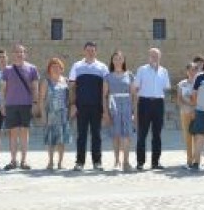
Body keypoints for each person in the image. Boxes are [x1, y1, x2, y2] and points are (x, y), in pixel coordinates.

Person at [69, 42, 109, 171]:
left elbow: (106, 90)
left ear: (96, 52)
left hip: (97, 107)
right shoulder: (77, 66)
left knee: (96, 135)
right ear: (84, 51)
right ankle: (80, 162)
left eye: (93, 50)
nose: (90, 52)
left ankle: (97, 162)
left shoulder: (102, 67)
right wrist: (73, 104)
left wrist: (105, 108)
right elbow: (72, 87)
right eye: (88, 50)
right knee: (81, 135)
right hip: (81, 106)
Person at [1, 43, 39, 171]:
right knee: (13, 134)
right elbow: (4, 89)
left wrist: (35, 103)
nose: (19, 54)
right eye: (17, 52)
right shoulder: (7, 70)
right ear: (13, 54)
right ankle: (13, 160)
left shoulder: (32, 68)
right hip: (11, 104)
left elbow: (35, 88)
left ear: (25, 54)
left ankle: (24, 160)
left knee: (24, 133)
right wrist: (2, 104)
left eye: (21, 52)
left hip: (26, 104)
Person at [134, 48, 171, 170]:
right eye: (152, 56)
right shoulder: (142, 70)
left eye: (156, 56)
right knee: (142, 133)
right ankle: (140, 162)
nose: (154, 58)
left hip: (158, 103)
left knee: (157, 134)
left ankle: (155, 162)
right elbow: (136, 87)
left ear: (160, 57)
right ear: (148, 57)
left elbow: (167, 87)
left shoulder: (164, 71)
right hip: (145, 102)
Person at [103, 50, 136, 172]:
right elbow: (104, 96)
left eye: (120, 58)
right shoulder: (107, 77)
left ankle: (126, 162)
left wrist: (135, 112)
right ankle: (117, 161)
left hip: (127, 107)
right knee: (116, 135)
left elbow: (134, 95)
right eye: (115, 58)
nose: (118, 60)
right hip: (113, 107)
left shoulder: (130, 75)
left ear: (124, 60)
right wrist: (105, 112)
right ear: (112, 61)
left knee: (126, 135)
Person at [39, 58, 72, 170]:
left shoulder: (65, 81)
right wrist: (43, 115)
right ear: (49, 69)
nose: (56, 68)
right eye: (53, 66)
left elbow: (69, 98)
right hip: (51, 114)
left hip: (63, 114)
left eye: (58, 66)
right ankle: (51, 162)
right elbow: (41, 100)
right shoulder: (46, 82)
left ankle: (60, 163)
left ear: (62, 69)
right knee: (51, 140)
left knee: (62, 140)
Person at [176, 62, 198, 169]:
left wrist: (194, 108)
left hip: (197, 113)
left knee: (198, 137)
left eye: (194, 70)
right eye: (190, 70)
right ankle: (189, 160)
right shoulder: (182, 84)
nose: (192, 72)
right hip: (185, 112)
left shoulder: (200, 83)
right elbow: (179, 99)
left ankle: (196, 160)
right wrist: (188, 105)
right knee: (188, 136)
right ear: (187, 71)